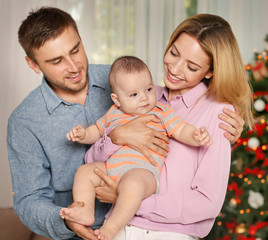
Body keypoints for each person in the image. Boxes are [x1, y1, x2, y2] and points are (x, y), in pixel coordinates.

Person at [7, 7, 243, 240]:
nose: (73, 66)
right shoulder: (24, 123)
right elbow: (31, 199)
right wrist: (116, 136)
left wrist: (228, 126)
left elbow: (203, 189)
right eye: (57, 60)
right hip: (80, 233)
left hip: (148, 225)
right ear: (34, 65)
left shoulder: (132, 82)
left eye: (76, 50)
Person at [93, 13, 254, 240]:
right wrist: (117, 136)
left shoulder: (218, 113)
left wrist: (131, 200)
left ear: (210, 72)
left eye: (191, 66)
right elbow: (92, 162)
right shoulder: (145, 96)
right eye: (174, 53)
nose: (175, 69)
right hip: (116, 229)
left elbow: (207, 203)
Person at [60, 55, 213, 240]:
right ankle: (84, 209)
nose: (144, 98)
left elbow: (180, 128)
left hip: (143, 172)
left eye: (149, 89)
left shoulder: (160, 111)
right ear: (117, 100)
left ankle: (110, 228)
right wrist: (83, 134)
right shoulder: (113, 113)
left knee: (132, 186)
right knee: (85, 172)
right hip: (111, 170)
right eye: (134, 94)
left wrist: (195, 136)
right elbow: (97, 131)